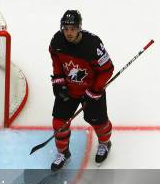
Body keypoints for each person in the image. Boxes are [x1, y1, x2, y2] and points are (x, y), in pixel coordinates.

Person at [49, 10, 115, 170]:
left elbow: (107, 69)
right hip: (69, 90)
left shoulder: (92, 44)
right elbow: (56, 62)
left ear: (79, 28)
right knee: (59, 122)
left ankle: (105, 143)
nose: (69, 33)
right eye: (66, 29)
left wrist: (95, 89)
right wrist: (58, 81)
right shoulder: (57, 41)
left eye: (72, 29)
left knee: (98, 121)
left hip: (91, 90)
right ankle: (63, 153)